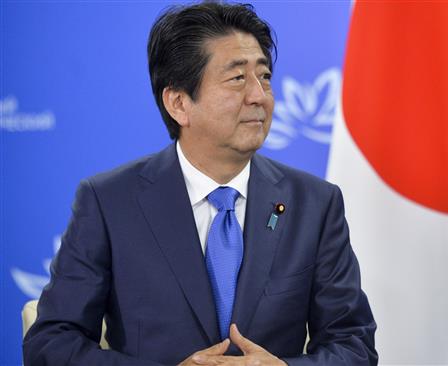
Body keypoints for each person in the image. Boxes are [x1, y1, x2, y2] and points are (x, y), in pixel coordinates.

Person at [22, 2, 377, 365]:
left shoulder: (315, 204)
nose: (259, 96)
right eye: (237, 78)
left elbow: (354, 345)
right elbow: (51, 343)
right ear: (179, 103)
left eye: (264, 76)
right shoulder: (109, 202)